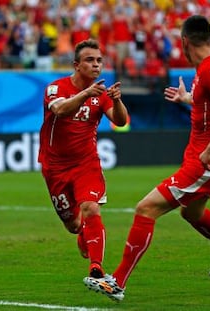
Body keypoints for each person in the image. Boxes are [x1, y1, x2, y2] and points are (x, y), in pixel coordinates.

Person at [84, 15, 210, 302]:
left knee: (146, 209)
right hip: (203, 159)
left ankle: (117, 282)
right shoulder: (207, 69)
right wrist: (189, 99)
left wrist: (209, 150)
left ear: (184, 42)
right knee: (191, 213)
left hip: (205, 161)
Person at [38, 39, 129, 278]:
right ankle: (82, 235)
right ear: (76, 65)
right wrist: (87, 93)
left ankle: (96, 268)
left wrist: (117, 100)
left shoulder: (103, 94)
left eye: (99, 60)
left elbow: (120, 121)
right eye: (90, 60)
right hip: (55, 167)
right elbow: (60, 110)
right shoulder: (55, 88)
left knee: (91, 208)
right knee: (74, 225)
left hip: (86, 163)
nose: (96, 65)